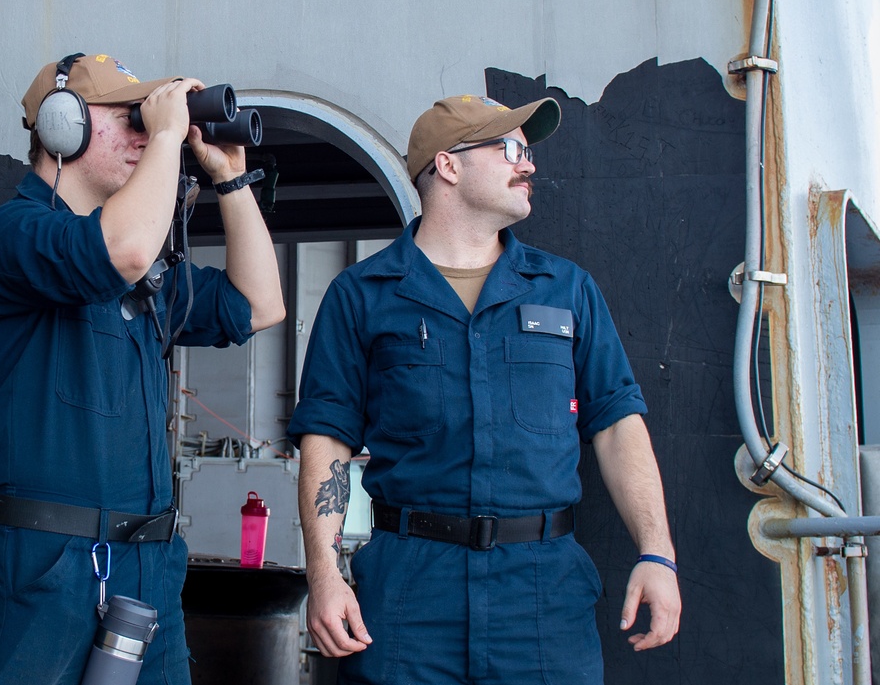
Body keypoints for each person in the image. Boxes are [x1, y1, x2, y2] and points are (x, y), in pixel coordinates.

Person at [287, 94, 680, 684]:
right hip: (408, 595)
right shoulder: (362, 294)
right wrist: (324, 572)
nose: (529, 165)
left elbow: (617, 425)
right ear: (447, 166)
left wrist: (657, 553)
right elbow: (328, 440)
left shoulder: (565, 289)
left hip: (543, 594)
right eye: (511, 150)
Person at [0, 53, 284, 684]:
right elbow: (119, 251)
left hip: (147, 568)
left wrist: (231, 182)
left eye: (145, 119)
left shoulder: (151, 272)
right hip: (44, 570)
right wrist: (163, 135)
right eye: (126, 117)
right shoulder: (12, 235)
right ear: (60, 126)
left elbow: (260, 304)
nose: (141, 131)